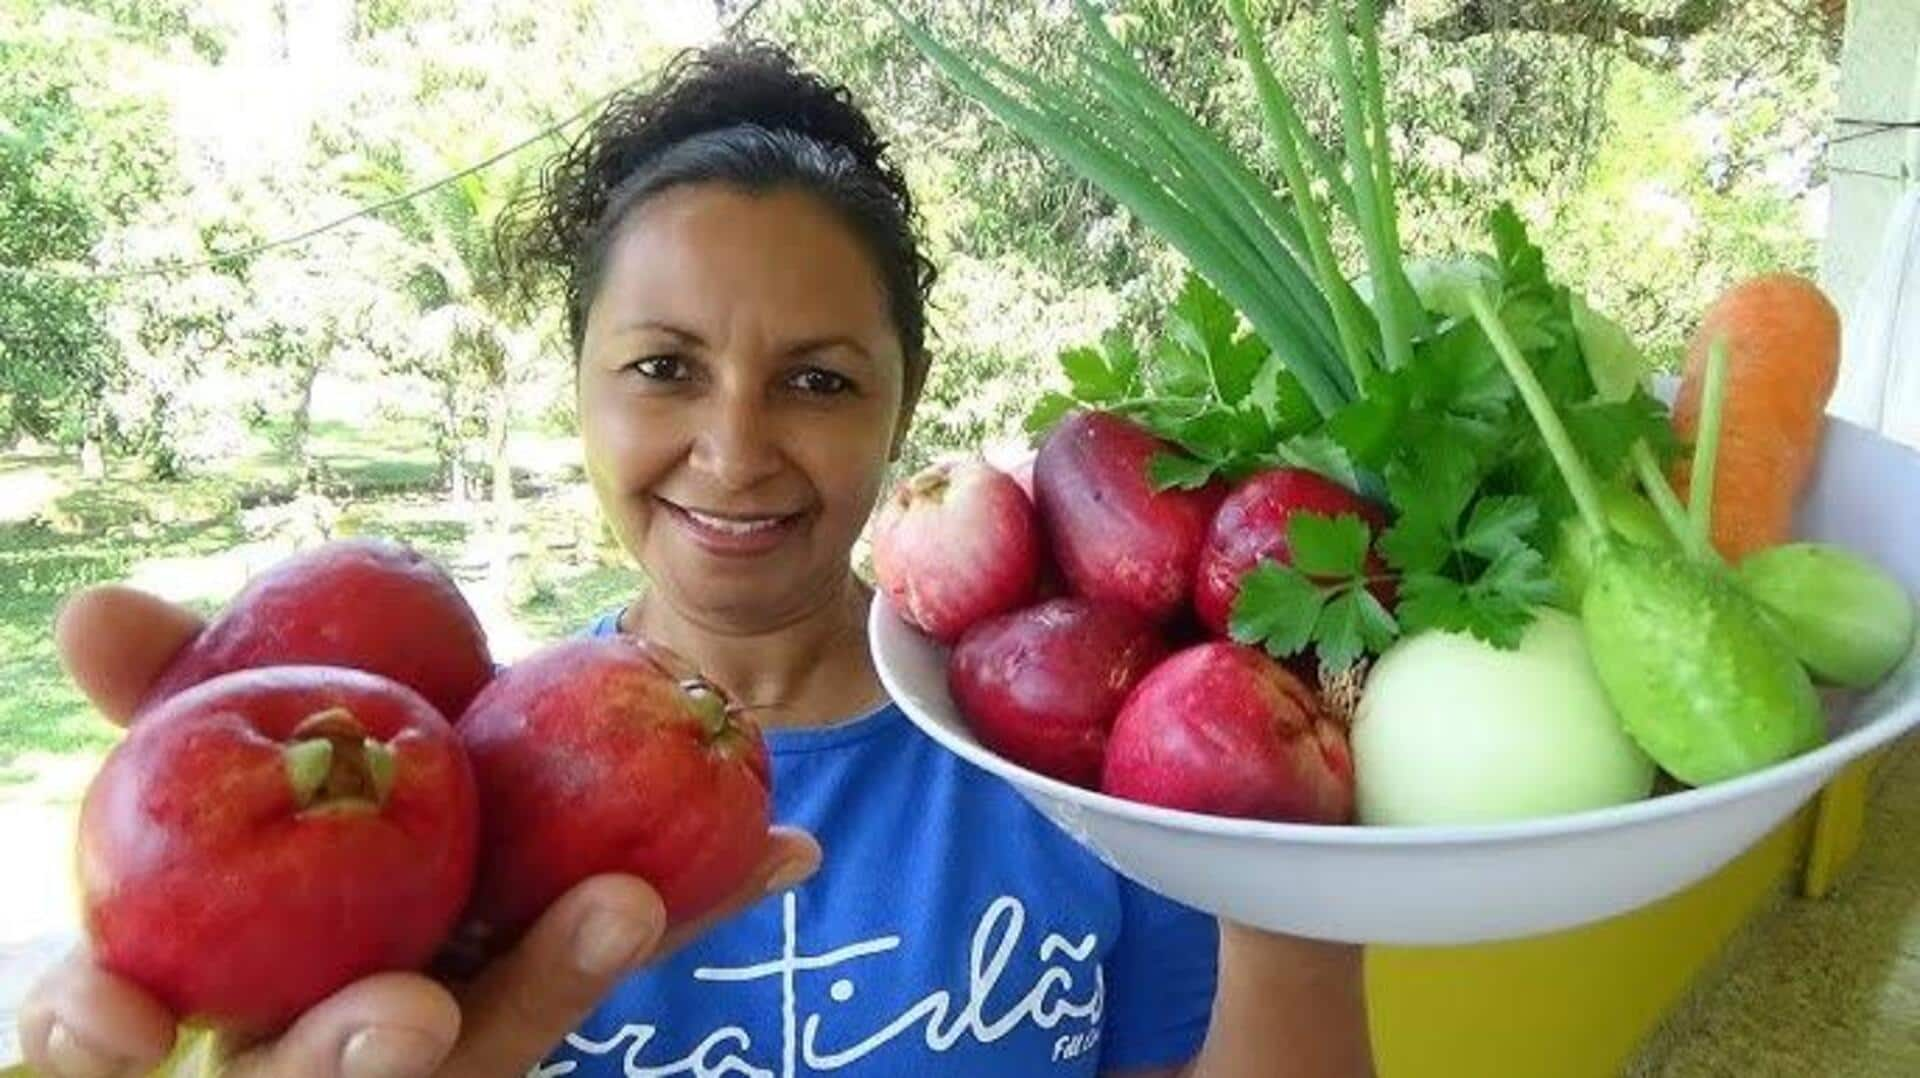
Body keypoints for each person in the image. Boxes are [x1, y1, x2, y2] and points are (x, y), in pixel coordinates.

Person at [19, 41, 1374, 1078]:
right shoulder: (443, 802)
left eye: (820, 381)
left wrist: (1301, 877)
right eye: (665, 367)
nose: (733, 451)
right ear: (581, 388)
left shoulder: (1079, 757)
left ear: (905, 404)